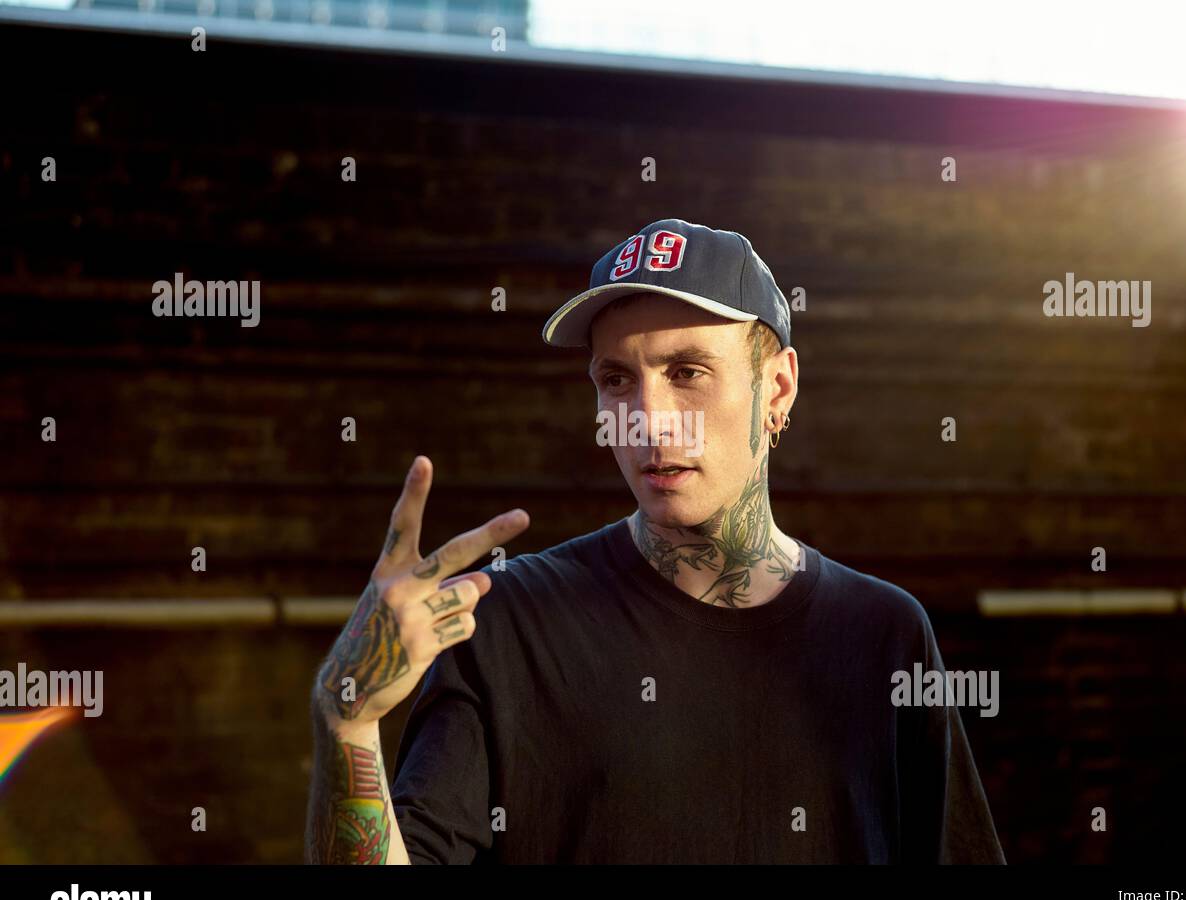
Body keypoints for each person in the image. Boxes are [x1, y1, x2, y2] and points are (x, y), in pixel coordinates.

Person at [305, 217, 1006, 864]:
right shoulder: (504, 623)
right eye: (617, 380)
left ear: (779, 390)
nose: (648, 422)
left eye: (688, 373)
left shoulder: (883, 634)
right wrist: (348, 725)